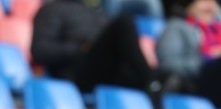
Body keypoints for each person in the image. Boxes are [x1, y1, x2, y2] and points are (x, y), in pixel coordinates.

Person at [31, 0, 161, 94]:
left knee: (169, 76)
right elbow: (40, 49)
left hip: (108, 70)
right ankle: (150, 82)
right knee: (124, 23)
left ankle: (154, 84)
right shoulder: (52, 9)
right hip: (77, 73)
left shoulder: (97, 13)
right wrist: (78, 48)